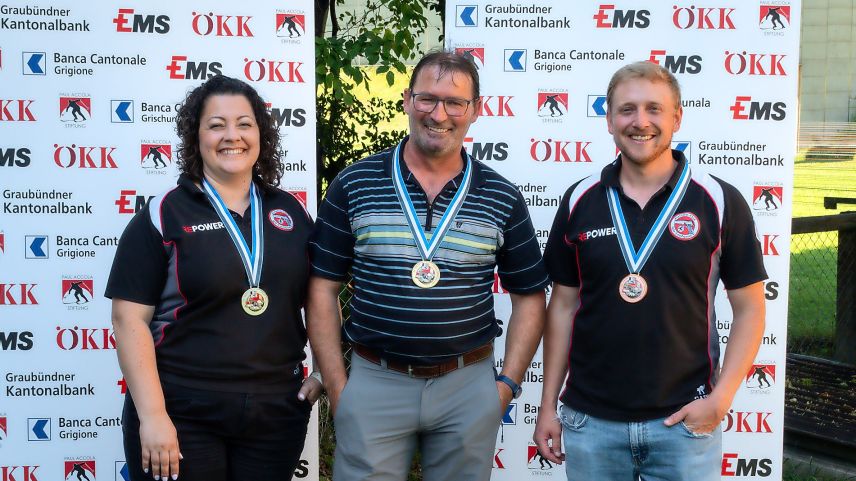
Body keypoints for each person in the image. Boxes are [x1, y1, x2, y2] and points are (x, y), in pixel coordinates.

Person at [308, 50, 549, 481]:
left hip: (467, 385)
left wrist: (505, 388)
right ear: (406, 100)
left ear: (476, 110)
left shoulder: (502, 196)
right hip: (375, 381)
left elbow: (530, 296)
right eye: (427, 99)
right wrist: (340, 387)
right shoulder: (355, 183)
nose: (439, 114)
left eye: (455, 102)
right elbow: (322, 288)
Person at [533, 61, 767, 481]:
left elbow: (750, 308)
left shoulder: (719, 200)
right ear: (608, 119)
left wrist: (722, 398)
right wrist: (548, 403)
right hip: (591, 424)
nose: (640, 122)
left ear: (677, 116)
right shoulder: (579, 199)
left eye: (654, 109)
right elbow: (563, 307)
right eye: (627, 109)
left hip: (684, 424)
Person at [105, 75, 321, 481]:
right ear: (196, 135)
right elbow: (127, 319)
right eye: (216, 125)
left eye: (244, 123)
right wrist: (152, 416)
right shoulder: (164, 214)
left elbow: (321, 297)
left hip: (274, 415)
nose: (231, 136)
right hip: (182, 411)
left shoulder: (290, 212)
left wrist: (325, 370)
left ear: (261, 133)